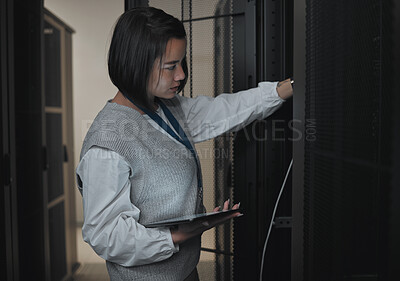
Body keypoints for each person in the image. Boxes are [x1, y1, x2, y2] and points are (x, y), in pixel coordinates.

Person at [76, 6, 293, 281]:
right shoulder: (108, 142)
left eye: (182, 63)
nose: (180, 75)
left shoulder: (167, 108)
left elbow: (226, 110)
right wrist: (180, 234)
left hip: (186, 272)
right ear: (135, 64)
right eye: (170, 67)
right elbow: (106, 235)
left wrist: (287, 87)